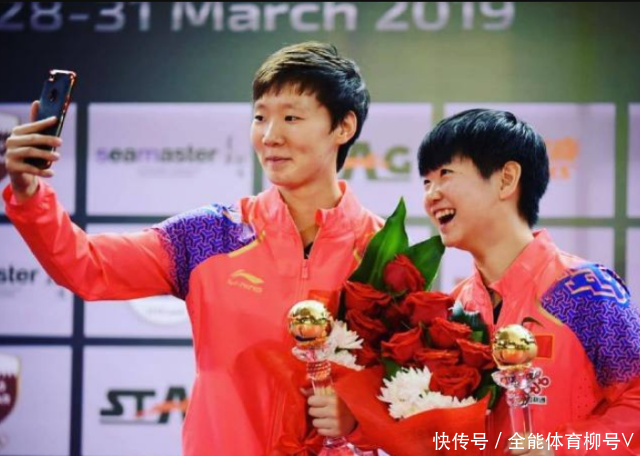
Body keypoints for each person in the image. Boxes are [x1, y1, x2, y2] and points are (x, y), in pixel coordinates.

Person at [4, 42, 382, 455]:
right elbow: (88, 266)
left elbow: (412, 399)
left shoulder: (384, 252)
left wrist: (358, 421)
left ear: (343, 127)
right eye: (260, 117)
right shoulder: (210, 234)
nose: (270, 136)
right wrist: (29, 192)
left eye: (291, 117)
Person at [418, 108, 640, 455]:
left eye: (445, 174)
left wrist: (559, 450)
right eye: (426, 182)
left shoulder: (584, 291)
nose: (431, 195)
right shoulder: (456, 307)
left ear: (506, 179)